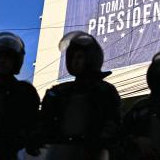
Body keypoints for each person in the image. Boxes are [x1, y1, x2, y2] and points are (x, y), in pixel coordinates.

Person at [40, 31, 121, 159]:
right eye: (72, 57)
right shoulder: (58, 92)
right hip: (60, 153)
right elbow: (43, 123)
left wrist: (98, 141)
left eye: (80, 57)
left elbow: (114, 124)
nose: (75, 61)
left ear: (92, 58)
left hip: (92, 153)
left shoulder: (105, 90)